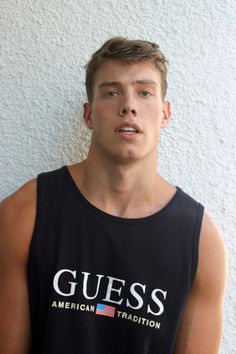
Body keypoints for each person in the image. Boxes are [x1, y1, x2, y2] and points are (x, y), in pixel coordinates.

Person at [0, 37, 227, 354]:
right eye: (111, 91)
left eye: (144, 92)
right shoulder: (25, 212)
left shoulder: (201, 242)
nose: (129, 105)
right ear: (89, 114)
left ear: (164, 114)